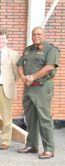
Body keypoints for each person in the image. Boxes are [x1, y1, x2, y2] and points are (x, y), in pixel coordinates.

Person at [16, 27, 60, 159]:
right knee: (30, 118)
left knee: (44, 119)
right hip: (29, 87)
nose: (36, 36)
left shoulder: (51, 50)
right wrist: (23, 77)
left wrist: (32, 77)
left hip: (42, 87)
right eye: (34, 34)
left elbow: (49, 67)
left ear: (44, 35)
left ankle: (49, 149)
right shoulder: (27, 50)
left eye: (39, 34)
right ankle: (32, 145)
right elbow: (20, 65)